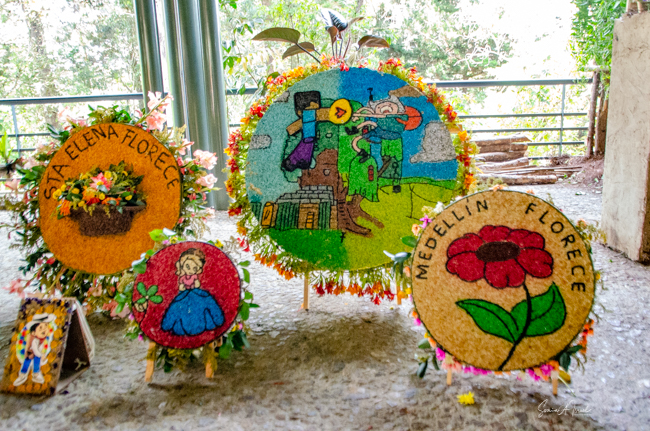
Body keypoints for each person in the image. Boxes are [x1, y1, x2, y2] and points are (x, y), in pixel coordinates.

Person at [161, 248, 225, 336]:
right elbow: (218, 319)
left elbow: (166, 325)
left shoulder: (204, 296)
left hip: (200, 327)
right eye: (187, 266)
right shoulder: (200, 296)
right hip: (184, 327)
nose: (190, 270)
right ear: (182, 264)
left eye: (194, 268)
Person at [13, 313, 56, 386]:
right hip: (31, 352)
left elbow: (44, 347)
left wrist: (43, 354)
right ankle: (22, 374)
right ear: (34, 333)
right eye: (40, 328)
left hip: (37, 353)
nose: (44, 329)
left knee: (37, 362)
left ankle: (36, 374)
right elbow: (35, 349)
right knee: (27, 362)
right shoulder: (34, 340)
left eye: (46, 326)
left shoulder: (44, 339)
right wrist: (41, 355)